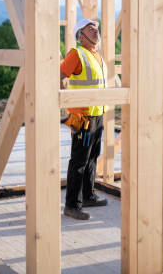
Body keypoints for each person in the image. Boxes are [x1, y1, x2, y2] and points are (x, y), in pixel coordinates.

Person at [60, 18, 109, 220]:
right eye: (91, 29)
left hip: (97, 115)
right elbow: (59, 75)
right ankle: (72, 205)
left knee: (92, 158)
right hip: (83, 117)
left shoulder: (96, 55)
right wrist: (67, 103)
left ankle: (88, 195)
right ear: (81, 35)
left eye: (96, 29)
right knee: (79, 160)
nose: (96, 31)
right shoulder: (76, 54)